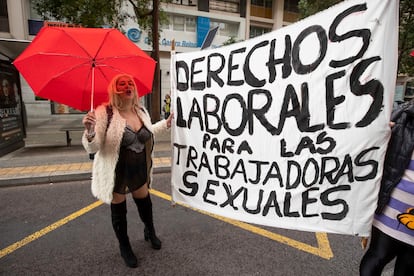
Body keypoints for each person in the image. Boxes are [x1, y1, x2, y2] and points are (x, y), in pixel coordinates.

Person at [82, 74, 173, 268]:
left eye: (130, 82)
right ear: (114, 90)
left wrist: (165, 124)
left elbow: (148, 132)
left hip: (139, 169)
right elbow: (93, 147)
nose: (127, 86)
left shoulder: (140, 110)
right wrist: (90, 131)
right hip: (117, 173)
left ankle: (150, 231)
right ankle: (125, 247)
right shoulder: (104, 112)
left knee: (145, 205)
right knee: (119, 213)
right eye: (121, 84)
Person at [359, 101, 414, 275]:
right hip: (391, 206)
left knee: (408, 267)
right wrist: (376, 132)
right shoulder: (401, 115)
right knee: (377, 257)